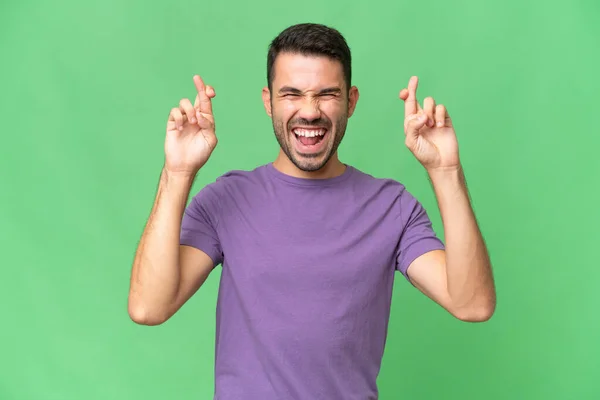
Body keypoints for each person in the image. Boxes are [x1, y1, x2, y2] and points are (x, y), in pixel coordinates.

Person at [128, 22, 496, 400]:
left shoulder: (392, 208)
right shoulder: (226, 200)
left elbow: (472, 304)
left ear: (350, 102)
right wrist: (178, 173)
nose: (310, 111)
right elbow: (148, 307)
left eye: (327, 94)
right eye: (291, 94)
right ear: (268, 101)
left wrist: (446, 170)